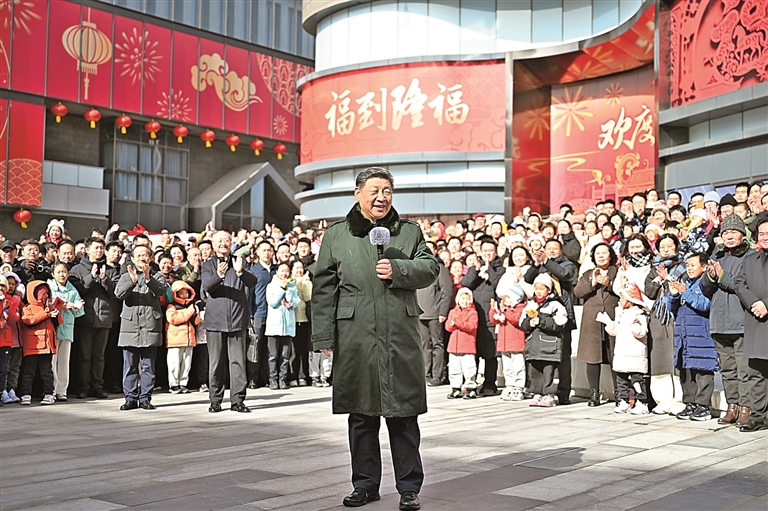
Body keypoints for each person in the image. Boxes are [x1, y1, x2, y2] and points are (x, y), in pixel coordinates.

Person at [311, 167, 439, 510]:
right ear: (357, 194)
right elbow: (324, 289)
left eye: (387, 191)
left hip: (400, 333)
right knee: (361, 414)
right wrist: (324, 334)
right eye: (375, 190)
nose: (382, 197)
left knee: (403, 414)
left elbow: (430, 267)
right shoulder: (337, 235)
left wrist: (400, 270)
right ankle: (365, 485)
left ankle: (409, 488)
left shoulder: (409, 232)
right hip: (356, 335)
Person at [700, 214, 753, 426]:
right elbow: (705, 289)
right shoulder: (717, 256)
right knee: (728, 370)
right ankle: (732, 406)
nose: (729, 237)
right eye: (726, 233)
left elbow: (745, 287)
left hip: (740, 322)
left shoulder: (751, 257)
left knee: (744, 370)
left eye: (733, 232)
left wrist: (722, 276)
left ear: (742, 234)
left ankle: (746, 408)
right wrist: (710, 276)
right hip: (719, 323)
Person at [201, 230, 257, 413]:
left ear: (231, 242)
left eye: (226, 240)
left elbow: (252, 281)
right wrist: (218, 275)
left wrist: (240, 272)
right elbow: (208, 286)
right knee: (216, 363)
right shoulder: (208, 264)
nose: (223, 243)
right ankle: (215, 400)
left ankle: (238, 401)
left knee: (238, 362)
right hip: (215, 320)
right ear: (213, 244)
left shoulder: (239, 260)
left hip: (237, 319)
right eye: (219, 241)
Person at [115, 245, 168, 411]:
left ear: (151, 258)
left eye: (145, 255)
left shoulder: (157, 276)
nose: (141, 258)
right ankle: (130, 397)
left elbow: (161, 291)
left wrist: (147, 278)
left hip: (150, 324)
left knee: (148, 365)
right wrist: (132, 281)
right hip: (130, 325)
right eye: (138, 255)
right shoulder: (125, 276)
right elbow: (119, 294)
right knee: (129, 364)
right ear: (132, 258)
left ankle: (145, 397)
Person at [669, 252, 719, 421]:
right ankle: (689, 403)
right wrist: (674, 295)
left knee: (702, 371)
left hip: (700, 335)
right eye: (688, 265)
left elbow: (704, 304)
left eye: (693, 265)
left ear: (704, 267)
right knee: (685, 371)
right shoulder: (686, 282)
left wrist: (684, 291)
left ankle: (703, 406)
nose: (689, 268)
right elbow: (672, 309)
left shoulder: (706, 284)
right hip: (684, 334)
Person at [70, 237, 117, 399]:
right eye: (96, 248)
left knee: (99, 356)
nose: (99, 251)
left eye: (101, 248)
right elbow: (77, 291)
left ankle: (98, 386)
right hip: (84, 318)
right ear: (87, 249)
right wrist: (91, 277)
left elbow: (115, 293)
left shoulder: (109, 269)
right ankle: (83, 387)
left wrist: (104, 280)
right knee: (84, 356)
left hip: (104, 319)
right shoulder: (77, 269)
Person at [733, 215, 768, 432]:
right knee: (756, 374)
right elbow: (739, 283)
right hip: (756, 322)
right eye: (761, 233)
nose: (765, 237)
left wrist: (766, 304)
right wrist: (754, 302)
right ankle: (758, 417)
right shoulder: (750, 259)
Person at [575, 243, 619, 407]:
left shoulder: (617, 272)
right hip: (592, 321)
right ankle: (594, 393)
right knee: (592, 357)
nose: (601, 256)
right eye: (597, 253)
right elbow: (578, 292)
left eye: (604, 253)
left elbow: (624, 290)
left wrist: (609, 284)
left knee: (616, 355)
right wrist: (592, 282)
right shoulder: (587, 273)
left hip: (612, 317)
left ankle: (619, 393)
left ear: (610, 255)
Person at [597, 284, 651, 415]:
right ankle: (624, 401)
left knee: (637, 380)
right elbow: (615, 331)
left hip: (635, 354)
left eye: (622, 298)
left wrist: (634, 326)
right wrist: (608, 323)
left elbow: (642, 332)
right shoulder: (621, 314)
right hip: (622, 353)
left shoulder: (640, 314)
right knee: (621, 380)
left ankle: (641, 402)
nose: (619, 301)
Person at [520, 273, 568, 408]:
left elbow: (560, 322)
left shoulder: (555, 305)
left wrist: (541, 320)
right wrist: (529, 323)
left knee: (550, 370)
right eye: (537, 288)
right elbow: (522, 322)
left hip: (550, 345)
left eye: (542, 288)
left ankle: (550, 394)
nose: (539, 291)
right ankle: (537, 392)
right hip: (534, 345)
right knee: (535, 370)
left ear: (549, 290)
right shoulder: (530, 304)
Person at [417, 241, 453, 386]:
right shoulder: (418, 267)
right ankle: (425, 374)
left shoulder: (440, 269)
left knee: (437, 344)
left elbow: (447, 292)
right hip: (420, 313)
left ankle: (438, 375)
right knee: (424, 345)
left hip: (435, 313)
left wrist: (443, 312)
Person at [19, 281, 61, 405]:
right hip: (33, 346)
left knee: (47, 372)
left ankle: (49, 393)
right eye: (43, 294)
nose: (46, 296)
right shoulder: (28, 308)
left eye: (47, 294)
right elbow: (28, 320)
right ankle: (26, 394)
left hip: (47, 346)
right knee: (29, 372)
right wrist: (46, 314)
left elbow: (59, 322)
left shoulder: (49, 306)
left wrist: (55, 313)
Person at [47, 263, 85, 401]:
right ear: (53, 274)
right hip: (53, 328)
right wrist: (65, 305)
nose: (62, 275)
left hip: (68, 328)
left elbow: (79, 312)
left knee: (64, 361)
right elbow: (48, 304)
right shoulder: (49, 286)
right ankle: (51, 389)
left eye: (64, 272)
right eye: (59, 272)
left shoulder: (72, 290)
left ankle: (62, 390)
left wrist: (76, 307)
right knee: (52, 361)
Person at [265, 262, 300, 390]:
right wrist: (282, 289)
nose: (284, 273)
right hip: (274, 326)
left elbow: (297, 301)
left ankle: (283, 378)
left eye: (287, 271)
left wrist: (291, 298)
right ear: (277, 272)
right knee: (273, 355)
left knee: (285, 355)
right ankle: (272, 379)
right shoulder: (271, 286)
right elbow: (273, 302)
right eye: (282, 271)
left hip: (288, 326)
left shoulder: (292, 286)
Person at [489, 283, 527, 401]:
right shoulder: (505, 309)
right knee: (507, 367)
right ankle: (509, 384)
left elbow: (515, 319)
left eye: (508, 298)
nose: (505, 300)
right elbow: (493, 320)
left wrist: (505, 311)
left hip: (516, 343)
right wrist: (493, 310)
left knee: (518, 366)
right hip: (504, 343)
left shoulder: (520, 308)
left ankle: (519, 386)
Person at [165, 281, 201, 394]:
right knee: (174, 363)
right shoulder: (171, 306)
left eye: (186, 293)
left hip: (189, 339)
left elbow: (195, 322)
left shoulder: (191, 307)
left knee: (186, 363)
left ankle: (183, 383)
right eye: (181, 293)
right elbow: (174, 319)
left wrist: (198, 313)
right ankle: (173, 384)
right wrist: (190, 310)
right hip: (175, 340)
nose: (184, 295)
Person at [445, 287, 479, 399]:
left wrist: (458, 323)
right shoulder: (453, 312)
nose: (464, 301)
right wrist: (451, 324)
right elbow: (448, 328)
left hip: (467, 346)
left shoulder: (473, 313)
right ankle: (455, 388)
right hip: (454, 346)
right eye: (462, 298)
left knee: (469, 368)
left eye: (467, 299)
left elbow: (472, 326)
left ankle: (471, 388)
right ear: (458, 300)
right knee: (454, 368)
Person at [290, 260, 313, 386]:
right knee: (293, 351)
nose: (299, 270)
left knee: (303, 350)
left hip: (303, 319)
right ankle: (292, 376)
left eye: (301, 268)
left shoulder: (306, 281)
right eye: (296, 268)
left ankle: (302, 375)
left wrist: (305, 283)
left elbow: (308, 297)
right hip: (292, 320)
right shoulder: (288, 281)